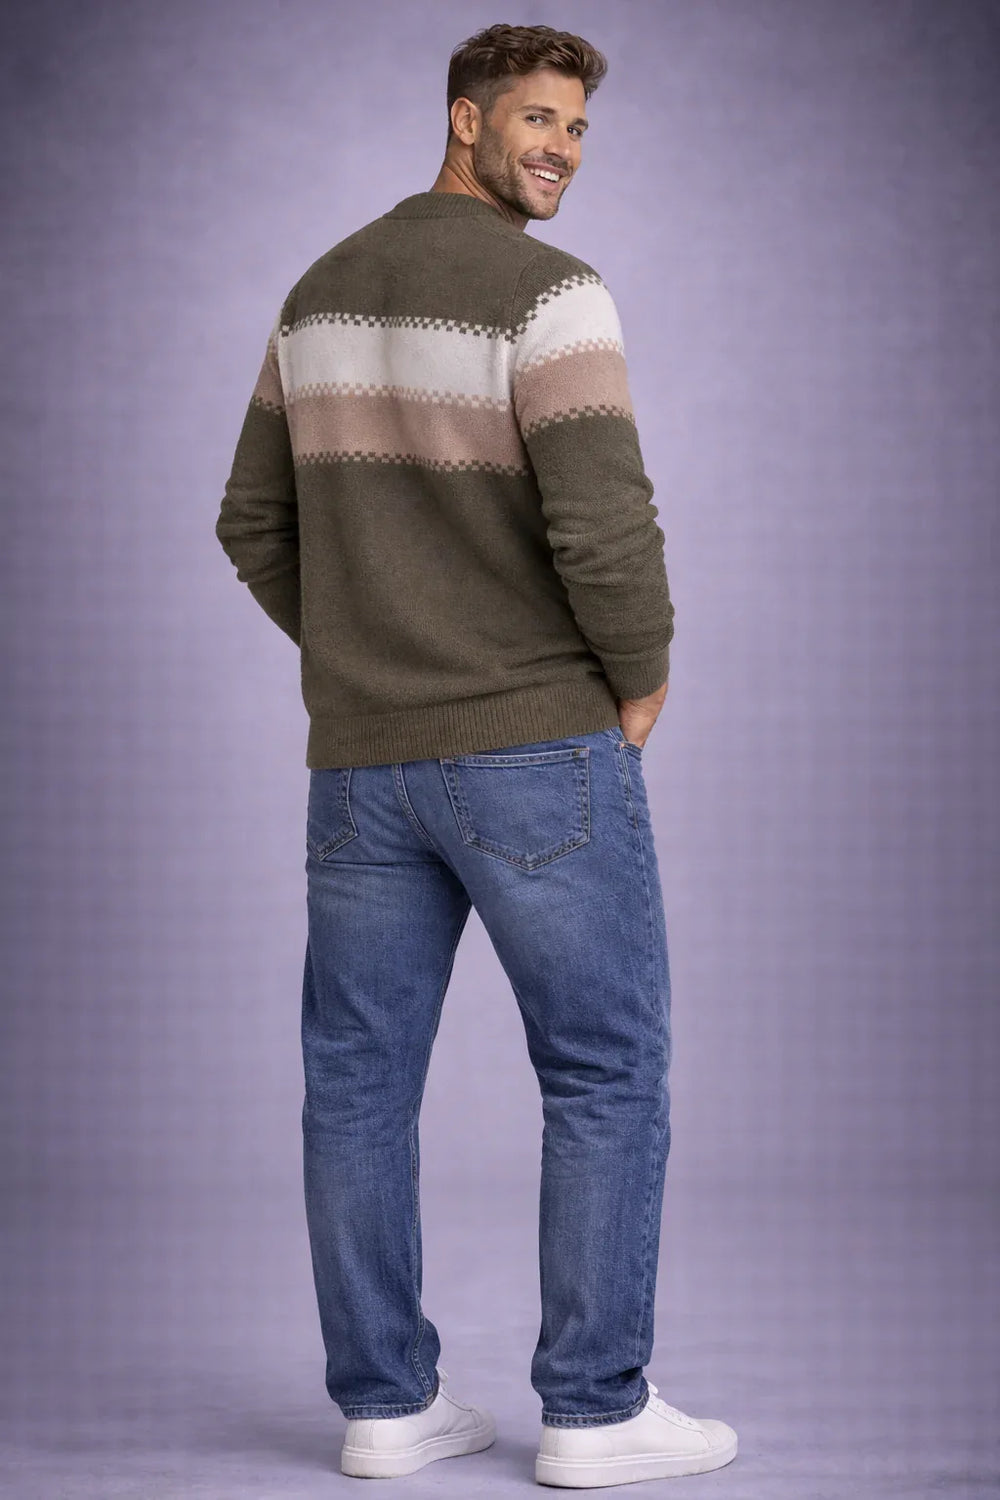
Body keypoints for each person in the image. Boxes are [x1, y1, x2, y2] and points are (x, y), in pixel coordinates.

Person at [215, 20, 737, 1489]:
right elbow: (605, 525)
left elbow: (251, 522)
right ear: (466, 118)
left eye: (577, 128)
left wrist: (367, 652)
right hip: (534, 748)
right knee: (605, 1069)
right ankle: (595, 1411)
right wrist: (642, 674)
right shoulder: (551, 295)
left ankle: (387, 1408)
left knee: (356, 1084)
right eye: (538, 120)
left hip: (360, 764)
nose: (561, 149)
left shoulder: (319, 293)